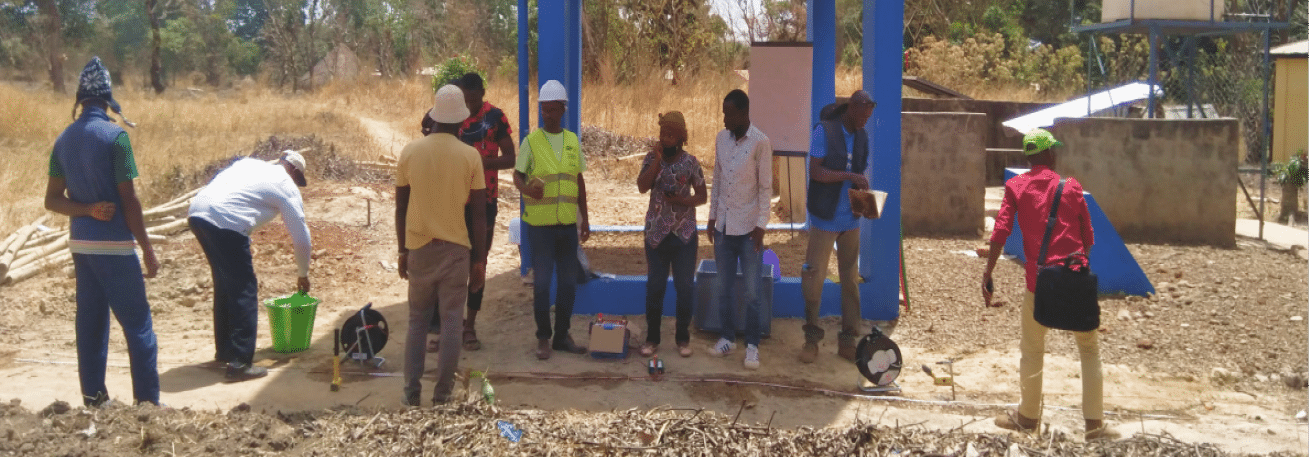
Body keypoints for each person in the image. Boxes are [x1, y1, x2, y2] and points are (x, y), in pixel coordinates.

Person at [982, 128, 1113, 440]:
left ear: (1029, 157)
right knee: (1089, 348)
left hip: (1038, 283)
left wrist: (988, 273)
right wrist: (1076, 272)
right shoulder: (1071, 187)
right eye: (1053, 150)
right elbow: (1088, 238)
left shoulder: (1016, 186)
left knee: (1032, 349)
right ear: (1048, 154)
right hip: (1074, 277)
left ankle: (1027, 418)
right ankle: (1094, 425)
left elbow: (1000, 230)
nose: (1056, 154)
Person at [45, 56, 161, 407]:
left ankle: (95, 400)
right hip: (114, 247)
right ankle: (148, 404)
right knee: (139, 326)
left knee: (91, 325)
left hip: (81, 246)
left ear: (80, 99)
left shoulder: (63, 140)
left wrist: (84, 210)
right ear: (108, 98)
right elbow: (130, 200)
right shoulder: (116, 138)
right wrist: (148, 249)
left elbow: (52, 200)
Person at [396, 85, 488, 405]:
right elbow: (479, 215)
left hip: (419, 246)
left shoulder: (410, 152)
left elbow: (400, 207)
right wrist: (479, 261)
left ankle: (411, 393)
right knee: (451, 322)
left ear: (434, 116)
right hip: (456, 251)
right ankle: (443, 395)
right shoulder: (470, 156)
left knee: (417, 321)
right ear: (462, 121)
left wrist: (402, 251)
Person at [188, 149, 312, 381]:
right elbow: (301, 235)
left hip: (197, 213)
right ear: (294, 171)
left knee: (225, 285)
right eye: (298, 178)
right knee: (245, 289)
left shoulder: (249, 165)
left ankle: (226, 351)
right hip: (227, 222)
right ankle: (240, 363)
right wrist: (303, 274)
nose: (296, 182)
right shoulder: (285, 183)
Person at [426, 72, 515, 353]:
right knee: (448, 264)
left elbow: (510, 158)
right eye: (465, 99)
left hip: (484, 201)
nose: (469, 104)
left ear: (482, 94)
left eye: (473, 99)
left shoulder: (496, 118)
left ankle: (469, 326)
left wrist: (480, 164)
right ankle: (445, 328)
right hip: (451, 199)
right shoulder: (451, 115)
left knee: (478, 262)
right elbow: (427, 132)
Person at [513, 79, 591, 360]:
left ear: (562, 110)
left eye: (552, 110)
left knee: (568, 283)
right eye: (543, 110)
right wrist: (526, 190)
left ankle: (562, 336)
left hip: (567, 225)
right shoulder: (531, 142)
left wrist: (586, 218)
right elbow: (517, 176)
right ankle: (543, 337)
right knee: (543, 283)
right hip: (540, 227)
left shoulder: (572, 141)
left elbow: (578, 181)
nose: (547, 115)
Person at [800, 90, 875, 363]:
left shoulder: (862, 135)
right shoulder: (825, 131)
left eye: (869, 117)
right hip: (824, 218)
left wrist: (865, 200)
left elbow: (858, 174)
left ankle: (848, 339)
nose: (866, 121)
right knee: (814, 278)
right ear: (851, 109)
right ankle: (811, 339)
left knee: (850, 281)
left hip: (850, 220)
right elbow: (816, 172)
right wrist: (849, 175)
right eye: (863, 116)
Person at [706, 89, 772, 370]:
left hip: (748, 228)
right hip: (723, 224)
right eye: (723, 112)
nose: (724, 118)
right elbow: (718, 178)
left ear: (743, 114)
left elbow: (765, 188)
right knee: (724, 287)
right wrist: (711, 217)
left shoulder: (761, 143)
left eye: (728, 113)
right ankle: (727, 338)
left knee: (753, 290)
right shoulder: (721, 139)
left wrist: (761, 226)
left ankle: (753, 346)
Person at [636, 111, 707, 358]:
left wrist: (680, 200)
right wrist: (656, 162)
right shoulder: (650, 158)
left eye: (670, 134)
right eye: (662, 134)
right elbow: (642, 187)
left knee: (684, 286)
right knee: (655, 285)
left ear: (680, 137)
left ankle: (682, 338)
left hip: (683, 234)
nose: (664, 139)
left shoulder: (690, 163)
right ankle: (652, 339)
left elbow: (702, 196)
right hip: (656, 233)